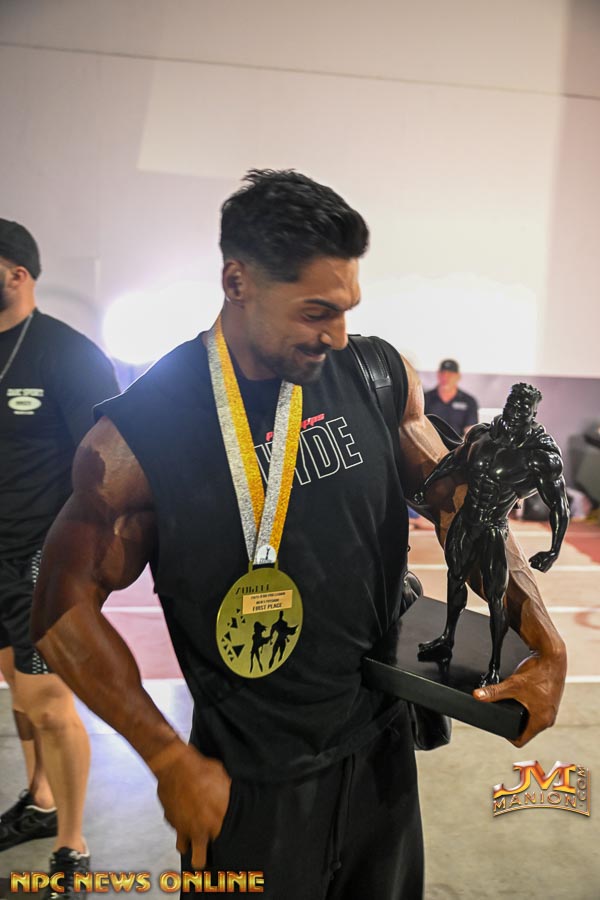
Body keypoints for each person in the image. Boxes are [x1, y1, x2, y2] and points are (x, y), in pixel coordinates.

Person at [31, 172, 566, 900]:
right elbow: (59, 607)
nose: (337, 334)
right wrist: (166, 759)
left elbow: (460, 509)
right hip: (246, 783)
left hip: (381, 754)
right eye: (317, 312)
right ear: (237, 282)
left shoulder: (375, 374)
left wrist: (544, 639)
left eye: (346, 309)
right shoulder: (140, 433)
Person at [0, 220, 119, 896]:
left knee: (48, 704)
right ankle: (41, 801)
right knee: (19, 695)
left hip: (40, 559)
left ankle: (72, 846)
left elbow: (108, 467)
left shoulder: (68, 356)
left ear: (17, 274)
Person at [415, 383, 569, 685]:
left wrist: (553, 550)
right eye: (511, 405)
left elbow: (559, 506)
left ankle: (495, 664)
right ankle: (447, 638)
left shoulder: (539, 456)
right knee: (454, 577)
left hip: (494, 528)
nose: (514, 412)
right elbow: (455, 459)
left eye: (522, 409)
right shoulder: (482, 434)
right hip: (466, 519)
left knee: (496, 598)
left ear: (533, 414)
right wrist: (427, 485)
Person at [424, 358, 479, 435]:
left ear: (458, 376)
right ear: (438, 374)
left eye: (450, 374)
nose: (445, 377)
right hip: (429, 441)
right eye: (443, 373)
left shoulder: (468, 401)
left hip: (458, 442)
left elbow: (470, 429)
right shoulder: (425, 398)